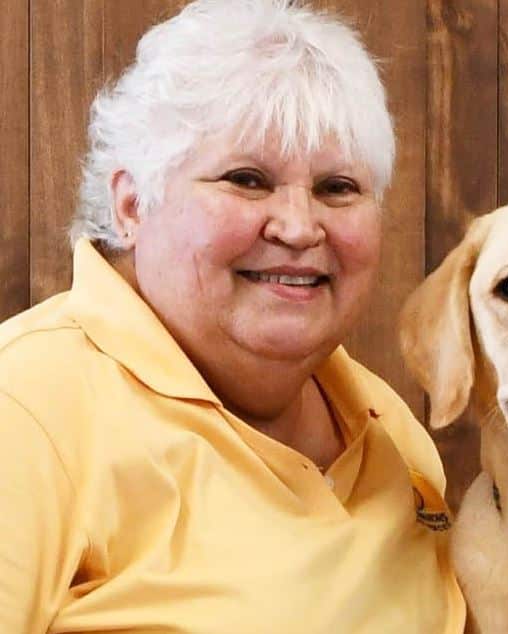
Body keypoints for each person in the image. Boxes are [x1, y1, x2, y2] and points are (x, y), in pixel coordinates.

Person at [0, 1, 464, 632]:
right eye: (247, 180)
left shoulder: (392, 431)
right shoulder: (26, 408)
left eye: (338, 188)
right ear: (132, 205)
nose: (300, 227)